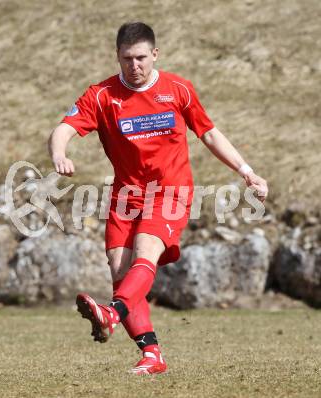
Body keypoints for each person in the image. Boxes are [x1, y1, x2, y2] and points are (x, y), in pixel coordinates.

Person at [48, 22, 268, 375]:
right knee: (120, 274)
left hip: (171, 191)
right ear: (117, 57)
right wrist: (60, 153)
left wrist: (246, 170)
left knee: (146, 250)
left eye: (140, 58)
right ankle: (152, 354)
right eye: (126, 59)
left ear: (155, 54)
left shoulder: (178, 89)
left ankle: (111, 314)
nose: (134, 66)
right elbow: (63, 128)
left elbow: (209, 135)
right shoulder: (103, 95)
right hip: (126, 195)